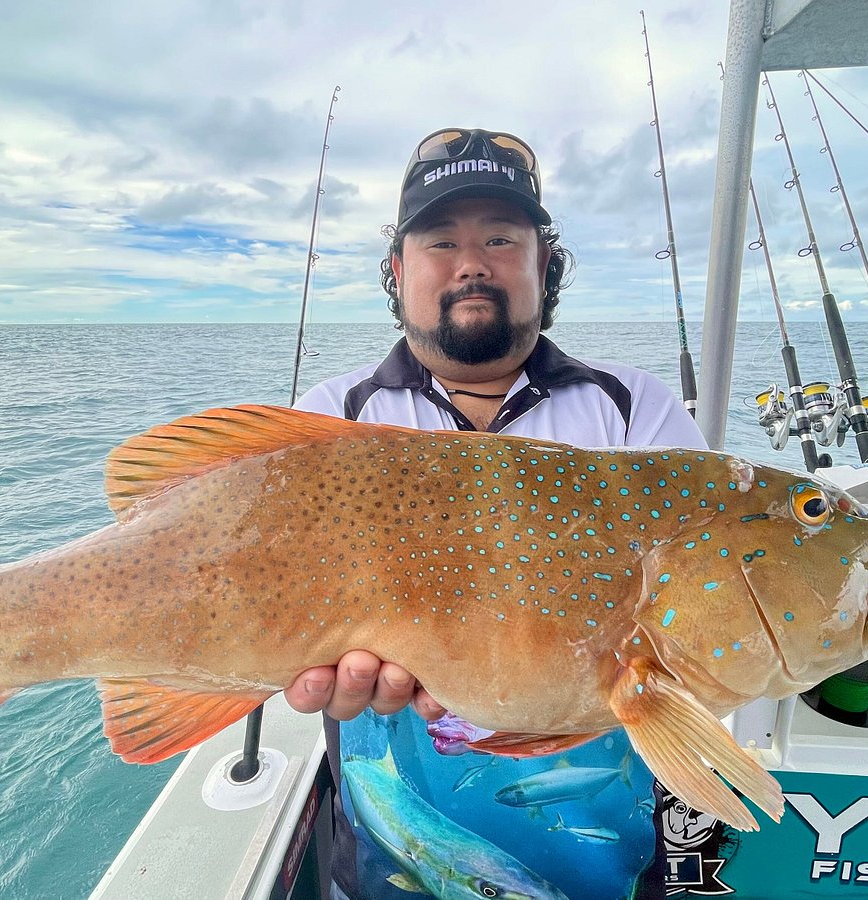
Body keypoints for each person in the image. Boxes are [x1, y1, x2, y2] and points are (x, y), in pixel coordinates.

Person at [285, 127, 708, 900]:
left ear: (543, 264)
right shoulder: (332, 419)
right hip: (396, 866)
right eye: (440, 240)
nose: (472, 262)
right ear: (398, 270)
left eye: (502, 239)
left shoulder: (633, 410)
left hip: (604, 866)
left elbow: (688, 621)